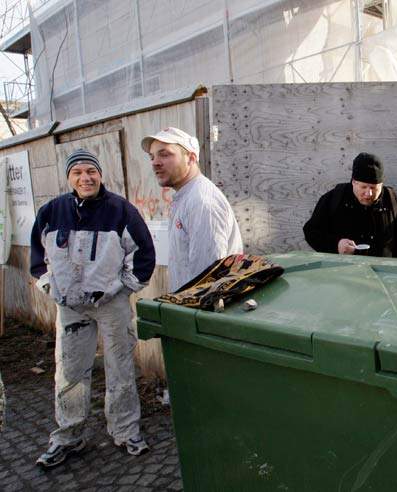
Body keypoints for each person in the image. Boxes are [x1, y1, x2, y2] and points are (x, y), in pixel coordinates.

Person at [30, 149, 156, 467]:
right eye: (78, 172)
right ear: (69, 177)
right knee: (70, 372)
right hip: (70, 307)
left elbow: (143, 254)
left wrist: (122, 289)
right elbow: (37, 257)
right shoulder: (51, 212)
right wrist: (50, 287)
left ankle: (125, 431)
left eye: (91, 171)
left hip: (111, 305)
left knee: (120, 369)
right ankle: (68, 436)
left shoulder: (120, 211)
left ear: (100, 175)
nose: (85, 178)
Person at [143, 127, 243, 292]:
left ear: (191, 158)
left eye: (165, 154)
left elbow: (206, 281)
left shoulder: (201, 202)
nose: (155, 162)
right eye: (152, 157)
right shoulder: (186, 196)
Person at [304, 153, 397, 258]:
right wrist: (336, 245)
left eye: (374, 188)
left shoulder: (391, 200)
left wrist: (396, 264)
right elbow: (311, 232)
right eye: (364, 187)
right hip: (343, 269)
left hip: (382, 270)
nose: (368, 194)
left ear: (381, 185)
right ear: (353, 182)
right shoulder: (334, 198)